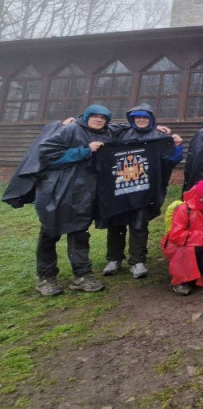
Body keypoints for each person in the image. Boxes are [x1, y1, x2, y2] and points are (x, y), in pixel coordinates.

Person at [33, 105, 114, 296]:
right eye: (94, 116)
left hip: (84, 194)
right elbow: (46, 155)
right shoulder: (70, 130)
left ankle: (82, 275)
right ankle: (46, 278)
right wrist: (84, 150)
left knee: (79, 232)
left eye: (103, 117)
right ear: (86, 117)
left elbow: (127, 127)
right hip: (57, 191)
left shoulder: (106, 133)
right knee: (49, 233)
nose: (99, 120)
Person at [100, 104, 184, 280]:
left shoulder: (159, 136)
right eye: (137, 117)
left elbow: (171, 159)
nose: (141, 120)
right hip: (120, 187)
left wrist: (176, 146)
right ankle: (114, 258)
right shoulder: (121, 134)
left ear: (151, 119)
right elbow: (103, 130)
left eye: (145, 118)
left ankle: (137, 261)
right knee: (116, 224)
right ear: (131, 119)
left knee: (139, 224)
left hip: (144, 189)